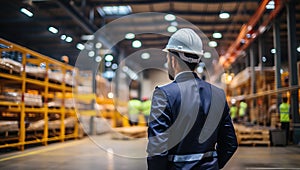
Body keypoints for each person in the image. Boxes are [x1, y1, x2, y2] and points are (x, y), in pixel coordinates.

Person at [147, 28, 237, 170]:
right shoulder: (218, 95)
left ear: (173, 60)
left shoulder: (164, 95)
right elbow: (230, 143)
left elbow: (157, 149)